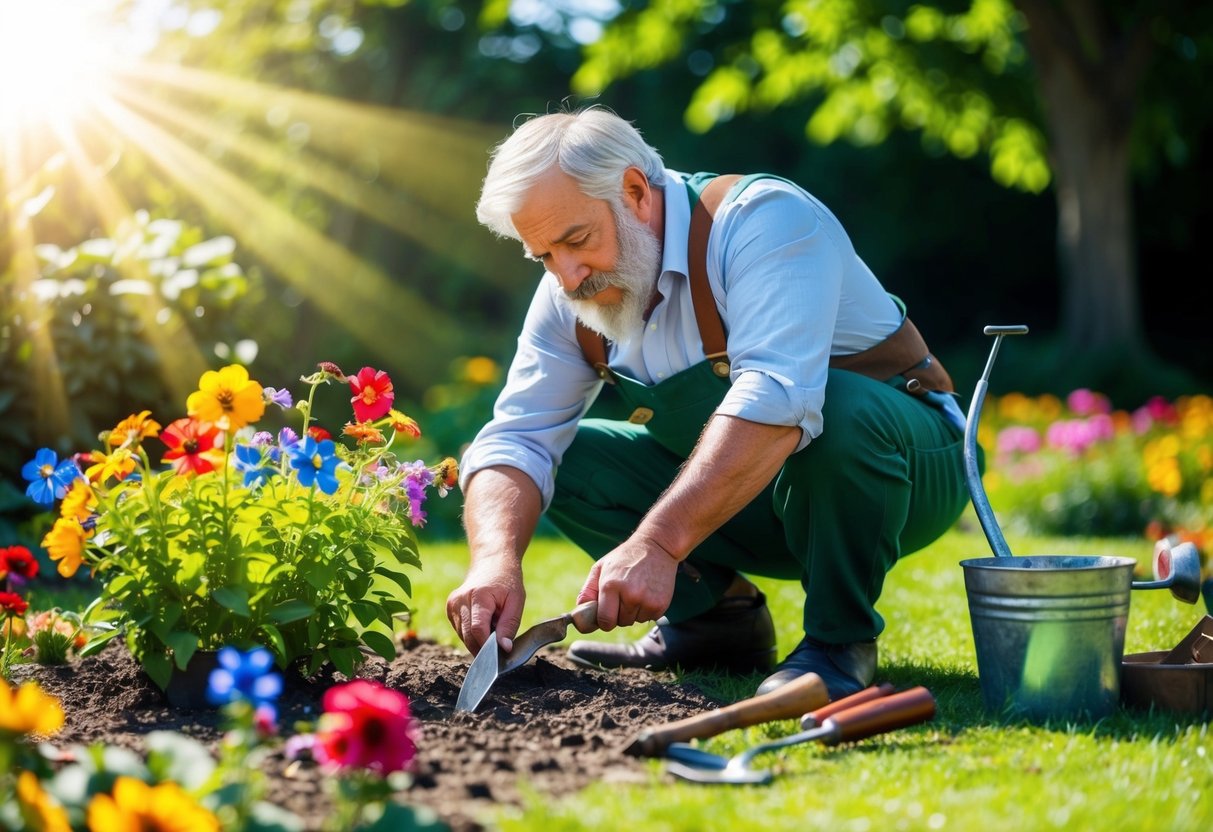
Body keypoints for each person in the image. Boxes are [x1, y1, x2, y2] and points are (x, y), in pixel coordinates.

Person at [445, 107, 971, 699]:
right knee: (567, 460)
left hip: (912, 468)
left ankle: (838, 640)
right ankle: (718, 623)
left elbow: (777, 396)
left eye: (576, 240)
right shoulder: (569, 293)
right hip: (753, 498)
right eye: (543, 255)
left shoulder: (763, 220)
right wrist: (494, 560)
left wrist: (658, 543)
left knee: (837, 407)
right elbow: (516, 437)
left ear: (636, 191)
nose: (566, 278)